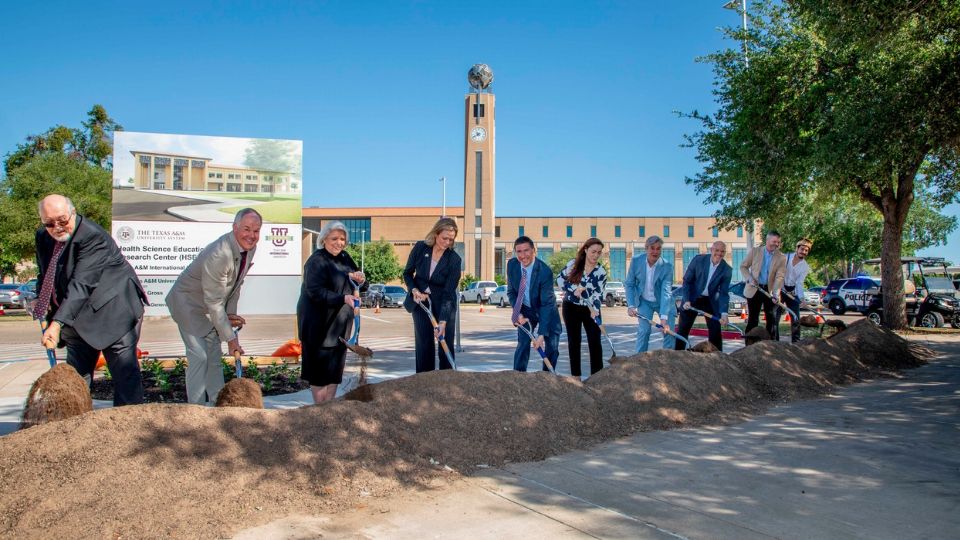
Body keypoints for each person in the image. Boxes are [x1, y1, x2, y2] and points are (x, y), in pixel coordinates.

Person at [33, 194, 148, 406]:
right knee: (75, 379)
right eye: (49, 223)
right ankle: (74, 426)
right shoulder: (42, 236)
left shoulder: (93, 237)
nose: (57, 227)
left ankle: (129, 430)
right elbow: (45, 273)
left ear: (73, 213)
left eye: (62, 220)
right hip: (75, 317)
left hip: (114, 312)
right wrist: (41, 303)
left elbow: (82, 284)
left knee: (125, 375)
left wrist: (57, 324)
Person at [166, 208, 261, 405]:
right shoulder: (220, 254)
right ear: (234, 228)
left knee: (214, 359)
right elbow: (214, 303)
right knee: (199, 357)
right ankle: (197, 410)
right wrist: (231, 339)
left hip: (209, 308)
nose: (251, 235)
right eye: (246, 229)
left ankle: (220, 407)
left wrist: (231, 316)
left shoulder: (249, 248)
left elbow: (236, 284)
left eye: (256, 231)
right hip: (188, 305)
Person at [297, 221, 366, 403]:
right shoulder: (316, 260)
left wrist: (360, 278)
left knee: (334, 372)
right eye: (334, 238)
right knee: (319, 373)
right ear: (324, 239)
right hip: (318, 325)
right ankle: (320, 410)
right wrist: (342, 298)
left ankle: (329, 408)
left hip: (339, 326)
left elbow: (358, 283)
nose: (339, 242)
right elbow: (315, 291)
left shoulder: (345, 258)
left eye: (342, 239)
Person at [402, 218, 462, 373]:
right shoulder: (420, 248)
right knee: (424, 343)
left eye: (451, 239)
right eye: (444, 238)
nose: (447, 242)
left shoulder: (454, 259)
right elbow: (407, 273)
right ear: (436, 234)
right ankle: (424, 382)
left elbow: (449, 292)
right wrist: (414, 290)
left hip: (444, 303)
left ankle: (448, 382)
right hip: (420, 303)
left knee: (445, 342)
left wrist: (442, 322)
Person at [507, 236, 562, 372]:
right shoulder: (512, 265)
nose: (523, 255)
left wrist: (541, 334)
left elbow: (546, 304)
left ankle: (547, 379)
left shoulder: (544, 272)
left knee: (552, 348)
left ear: (534, 251)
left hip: (547, 311)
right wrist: (517, 313)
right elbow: (512, 293)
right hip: (526, 311)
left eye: (526, 251)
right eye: (519, 251)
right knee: (523, 344)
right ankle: (517, 377)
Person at [557, 237, 607, 377]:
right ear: (585, 250)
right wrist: (574, 289)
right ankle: (576, 377)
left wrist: (595, 310)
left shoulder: (601, 272)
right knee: (574, 341)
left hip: (590, 310)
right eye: (593, 252)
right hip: (571, 307)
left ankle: (597, 377)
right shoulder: (573, 264)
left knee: (595, 341)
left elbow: (599, 294)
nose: (596, 255)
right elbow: (560, 280)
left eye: (599, 252)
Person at [674, 241, 733, 351]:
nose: (719, 254)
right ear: (711, 250)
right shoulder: (698, 260)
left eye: (722, 251)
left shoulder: (726, 270)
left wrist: (724, 313)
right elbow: (687, 281)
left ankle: (717, 358)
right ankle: (678, 355)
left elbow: (724, 293)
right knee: (683, 329)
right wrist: (686, 300)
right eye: (717, 250)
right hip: (692, 299)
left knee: (715, 330)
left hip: (710, 301)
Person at [624, 236, 676, 352]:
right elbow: (629, 284)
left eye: (658, 249)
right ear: (646, 248)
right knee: (644, 331)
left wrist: (664, 318)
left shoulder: (667, 267)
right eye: (652, 248)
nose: (655, 252)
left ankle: (668, 361)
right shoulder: (636, 261)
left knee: (668, 332)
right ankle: (639, 361)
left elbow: (666, 291)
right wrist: (631, 305)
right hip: (644, 302)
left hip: (664, 302)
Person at [740, 230, 787, 339]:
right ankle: (749, 344)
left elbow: (779, 276)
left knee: (771, 317)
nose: (776, 244)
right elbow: (743, 267)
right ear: (767, 240)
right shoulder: (755, 251)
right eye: (774, 241)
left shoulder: (781, 257)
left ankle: (770, 345)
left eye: (778, 242)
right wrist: (749, 278)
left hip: (769, 290)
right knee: (753, 318)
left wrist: (776, 293)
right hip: (754, 288)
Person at [781, 238, 813, 342]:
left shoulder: (805, 267)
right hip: (780, 289)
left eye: (806, 250)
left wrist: (802, 299)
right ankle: (774, 341)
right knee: (775, 315)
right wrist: (779, 290)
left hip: (792, 292)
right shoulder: (785, 258)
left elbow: (799, 283)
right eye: (802, 249)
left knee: (795, 317)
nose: (803, 252)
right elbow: (778, 274)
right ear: (797, 248)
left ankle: (796, 342)